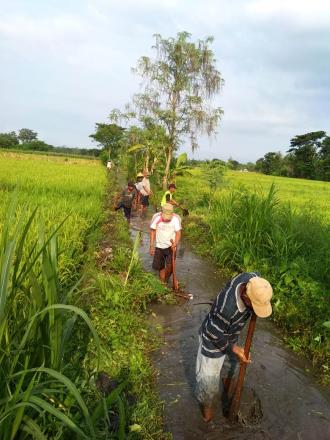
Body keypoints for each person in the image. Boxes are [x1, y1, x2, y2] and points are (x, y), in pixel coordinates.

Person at [195, 272, 273, 422]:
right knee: (208, 384)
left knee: (231, 367)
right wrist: (235, 349)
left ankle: (227, 395)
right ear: (245, 296)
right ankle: (207, 418)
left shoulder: (252, 279)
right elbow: (212, 332)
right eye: (254, 305)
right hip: (212, 340)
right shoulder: (228, 307)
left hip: (230, 334)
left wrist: (234, 347)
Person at [149, 203, 181, 289]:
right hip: (159, 246)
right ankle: (163, 285)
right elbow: (153, 231)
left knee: (170, 267)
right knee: (161, 267)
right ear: (161, 212)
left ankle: (166, 280)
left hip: (171, 247)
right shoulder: (156, 217)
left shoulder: (176, 219)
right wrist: (151, 246)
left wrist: (175, 243)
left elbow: (178, 233)